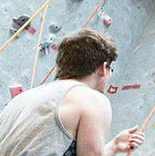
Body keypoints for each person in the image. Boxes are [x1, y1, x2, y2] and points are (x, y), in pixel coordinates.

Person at [0, 29, 145, 155]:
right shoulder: (92, 99)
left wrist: (113, 147)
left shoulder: (24, 98)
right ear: (103, 67)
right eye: (110, 69)